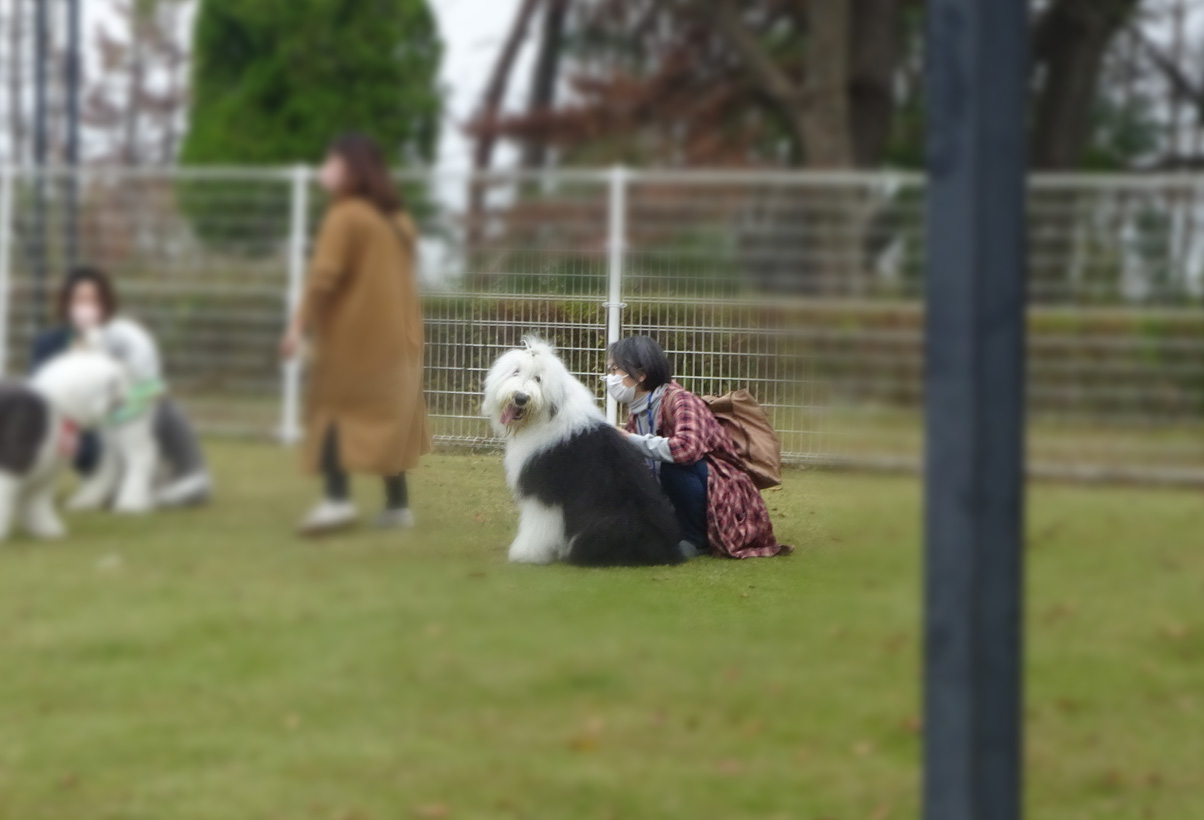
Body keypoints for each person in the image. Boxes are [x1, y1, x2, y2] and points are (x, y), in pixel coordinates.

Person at [280, 132, 431, 535]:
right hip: (403, 340)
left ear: (351, 170)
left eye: (333, 163)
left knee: (334, 411)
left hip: (357, 338)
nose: (325, 170)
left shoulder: (345, 216)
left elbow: (324, 278)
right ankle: (398, 507)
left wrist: (297, 326)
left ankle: (336, 500)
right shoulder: (399, 220)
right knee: (389, 419)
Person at [29, 266, 213, 507]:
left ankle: (185, 476)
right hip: (76, 428)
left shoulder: (123, 338)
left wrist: (139, 396)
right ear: (66, 302)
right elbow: (38, 395)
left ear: (106, 302)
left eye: (93, 299)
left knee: (164, 409)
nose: (86, 307)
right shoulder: (49, 343)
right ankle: (107, 480)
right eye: (79, 299)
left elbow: (146, 385)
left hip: (121, 414)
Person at [607, 335, 790, 559]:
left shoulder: (681, 400)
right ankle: (675, 531)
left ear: (641, 374)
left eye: (615, 369)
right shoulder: (637, 412)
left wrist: (629, 440)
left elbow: (687, 449)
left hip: (722, 489)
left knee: (674, 465)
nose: (610, 377)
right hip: (683, 492)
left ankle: (696, 540)